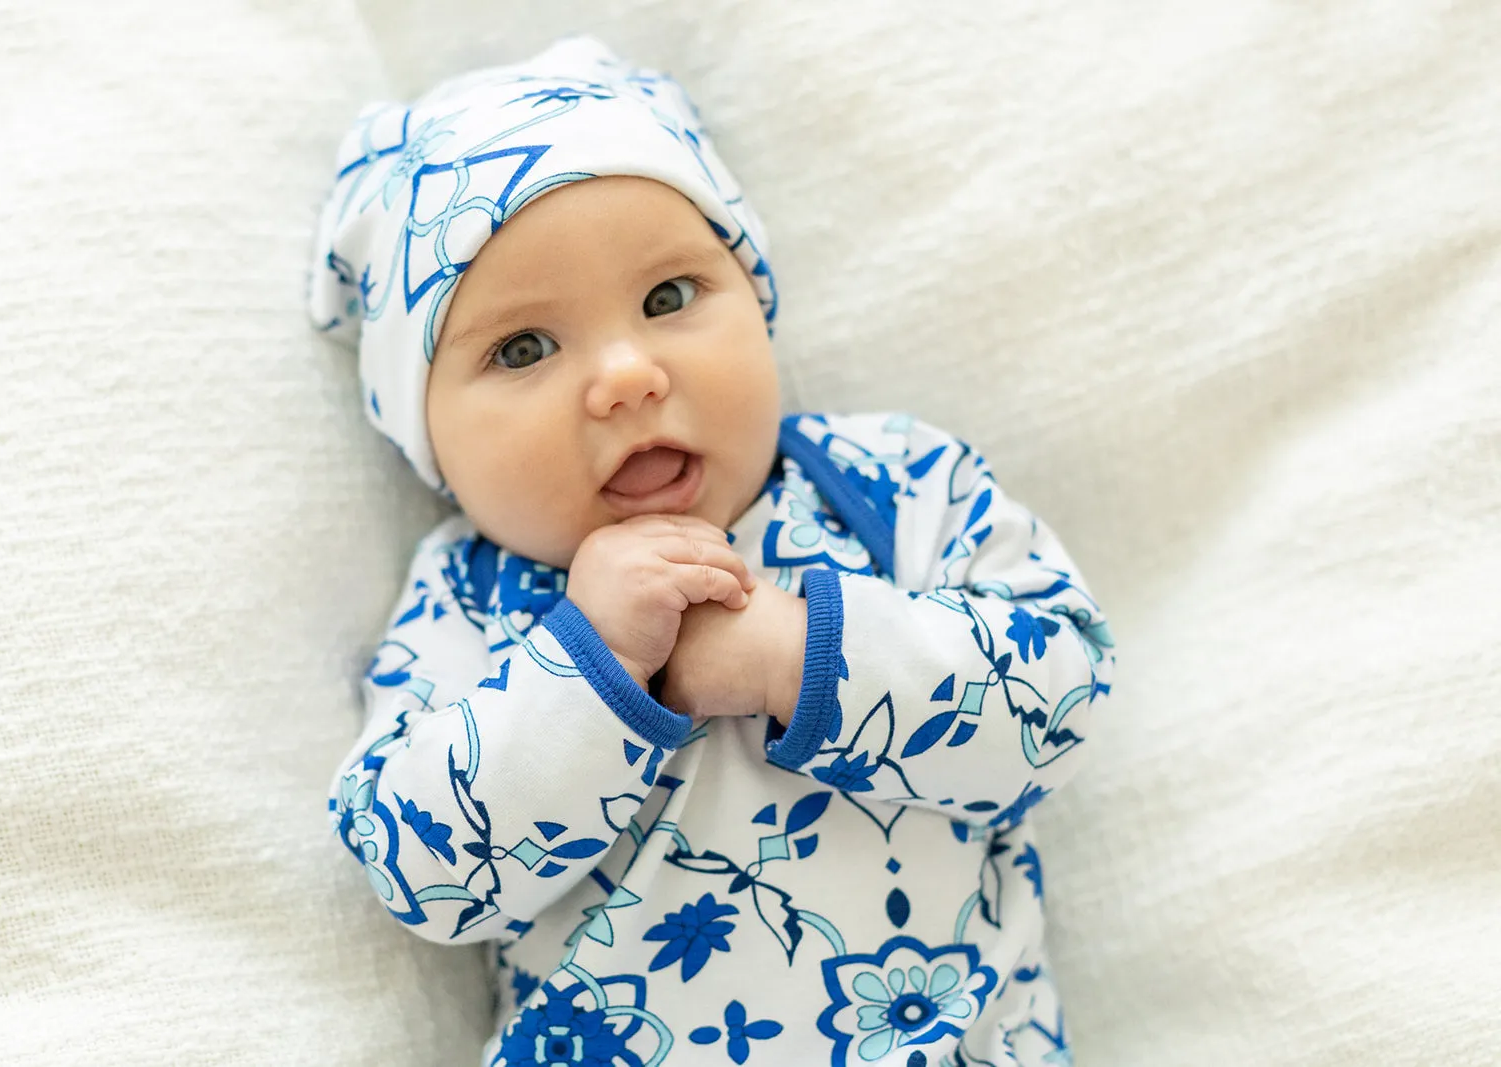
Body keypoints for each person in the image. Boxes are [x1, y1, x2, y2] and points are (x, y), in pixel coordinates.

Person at [310, 35, 1114, 1067]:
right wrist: (588, 669)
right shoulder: (468, 601)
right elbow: (422, 874)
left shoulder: (887, 484)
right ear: (428, 442)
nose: (626, 374)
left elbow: (1060, 698)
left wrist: (795, 654)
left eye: (669, 296)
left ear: (755, 294)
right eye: (521, 348)